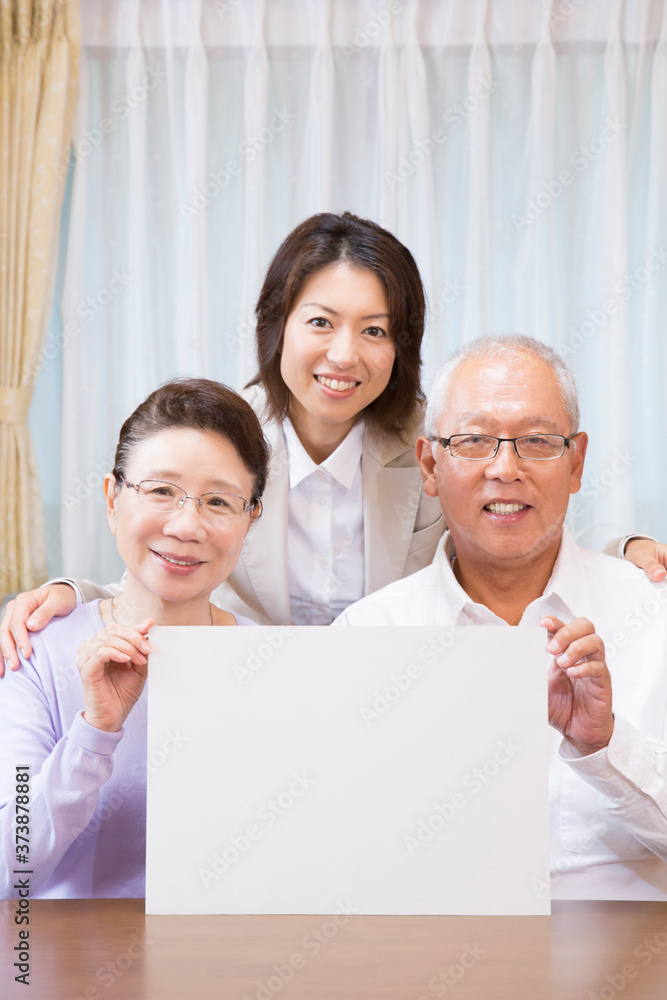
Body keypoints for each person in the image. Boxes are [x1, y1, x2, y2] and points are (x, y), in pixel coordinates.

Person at [0, 213, 664, 659]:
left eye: (374, 330)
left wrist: (625, 553)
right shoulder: (226, 441)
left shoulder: (443, 443)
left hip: (394, 693)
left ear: (401, 348)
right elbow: (168, 550)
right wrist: (74, 596)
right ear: (277, 327)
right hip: (242, 688)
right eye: (320, 322)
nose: (344, 355)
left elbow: (518, 519)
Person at [335, 335, 667, 901]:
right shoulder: (367, 636)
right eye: (474, 441)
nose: (506, 468)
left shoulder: (653, 616)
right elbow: (339, 856)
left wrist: (604, 745)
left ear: (576, 462)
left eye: (537, 440)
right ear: (430, 465)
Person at [0, 378, 268, 898]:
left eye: (218, 501)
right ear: (112, 498)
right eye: (161, 491)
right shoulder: (34, 650)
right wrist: (94, 733)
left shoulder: (263, 662)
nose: (187, 526)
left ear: (249, 519)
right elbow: (10, 869)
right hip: (65, 946)